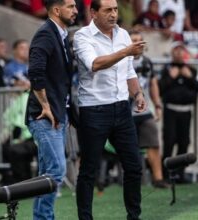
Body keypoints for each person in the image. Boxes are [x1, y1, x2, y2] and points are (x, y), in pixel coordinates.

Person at [73, 0, 147, 219]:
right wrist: (126, 52)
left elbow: (129, 71)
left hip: (122, 108)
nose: (114, 14)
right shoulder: (82, 36)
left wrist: (138, 94)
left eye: (115, 9)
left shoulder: (123, 35)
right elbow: (94, 64)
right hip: (94, 110)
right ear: (93, 12)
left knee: (134, 166)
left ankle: (134, 216)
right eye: (108, 10)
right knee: (88, 171)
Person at [26, 0, 78, 219]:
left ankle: (41, 218)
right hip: (44, 115)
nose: (76, 11)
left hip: (58, 113)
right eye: (71, 6)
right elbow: (35, 72)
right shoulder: (45, 34)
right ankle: (44, 217)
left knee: (47, 173)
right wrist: (46, 106)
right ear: (57, 10)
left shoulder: (61, 35)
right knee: (56, 170)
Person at [129, 31, 168, 188]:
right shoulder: (122, 60)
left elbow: (153, 84)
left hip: (144, 110)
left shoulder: (147, 62)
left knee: (153, 141)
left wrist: (157, 104)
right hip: (126, 110)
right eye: (134, 40)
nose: (138, 43)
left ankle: (158, 178)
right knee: (127, 146)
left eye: (140, 40)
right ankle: (131, 179)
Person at [159, 41, 198, 183]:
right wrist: (171, 77)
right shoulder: (166, 69)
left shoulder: (191, 70)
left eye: (181, 50)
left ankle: (180, 174)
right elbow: (160, 89)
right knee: (169, 143)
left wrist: (189, 77)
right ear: (172, 53)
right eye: (176, 50)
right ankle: (165, 174)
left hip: (186, 111)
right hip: (171, 110)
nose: (178, 53)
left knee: (184, 143)